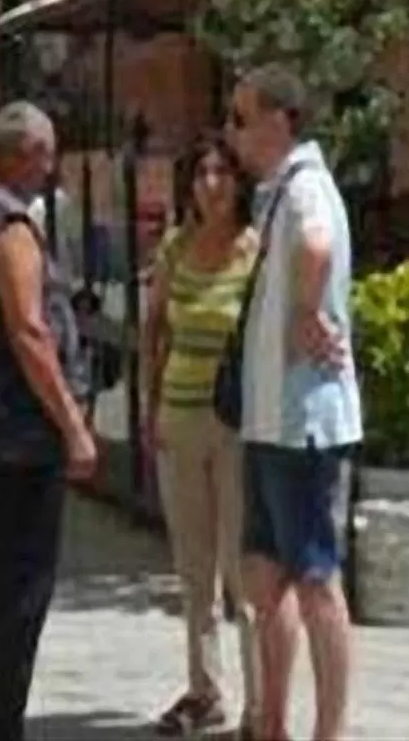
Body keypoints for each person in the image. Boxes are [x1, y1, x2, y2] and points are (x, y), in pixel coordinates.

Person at [0, 102, 97, 741]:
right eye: (45, 153)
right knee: (18, 591)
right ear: (19, 153)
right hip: (17, 430)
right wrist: (75, 426)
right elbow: (29, 330)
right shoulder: (6, 223)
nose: (51, 166)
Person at [226, 66, 362, 741]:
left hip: (299, 421)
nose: (233, 134)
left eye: (241, 118)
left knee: (313, 580)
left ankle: (326, 732)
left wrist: (307, 310)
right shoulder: (279, 190)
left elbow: (315, 244)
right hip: (268, 421)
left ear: (279, 119)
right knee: (262, 577)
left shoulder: (305, 186)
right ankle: (270, 722)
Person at [141, 133, 262, 738]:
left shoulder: (254, 252)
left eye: (222, 172)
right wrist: (149, 402)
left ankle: (260, 704)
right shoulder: (175, 248)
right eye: (201, 172)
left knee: (244, 570)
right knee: (193, 569)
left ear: (239, 183)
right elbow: (154, 327)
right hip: (180, 419)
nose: (211, 183)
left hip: (237, 424)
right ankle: (204, 689)